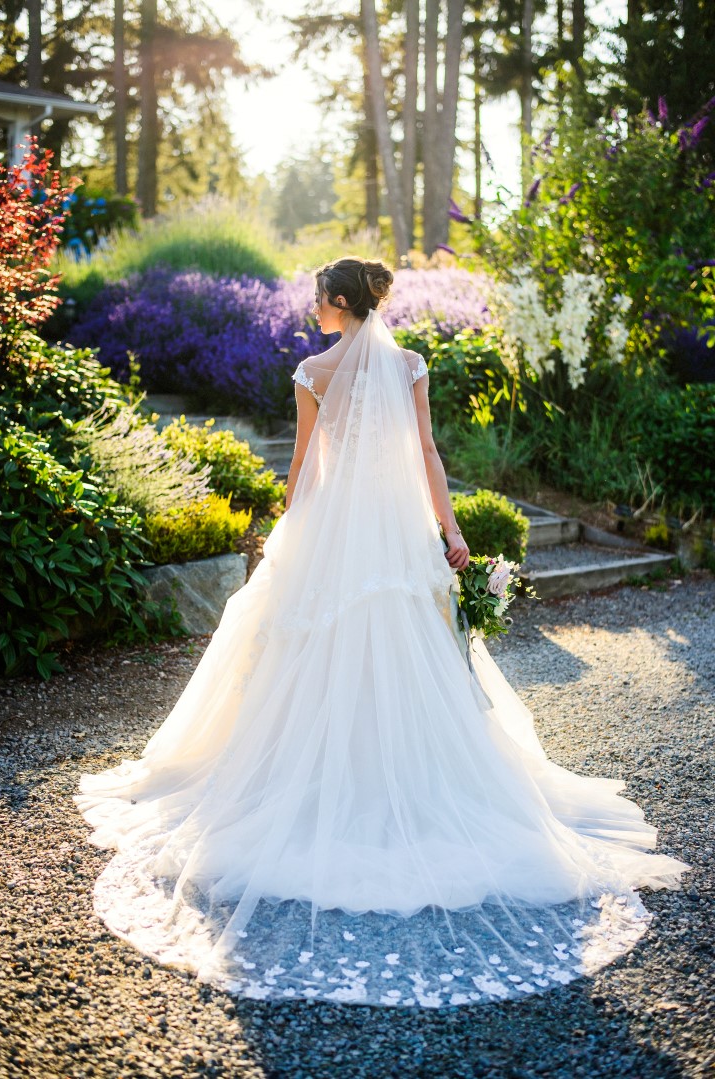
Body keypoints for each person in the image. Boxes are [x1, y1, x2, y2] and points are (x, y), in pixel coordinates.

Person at [75, 256, 689, 1009]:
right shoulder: (408, 363)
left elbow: (303, 465)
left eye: (319, 300)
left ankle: (322, 778)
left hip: (335, 534)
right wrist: (450, 528)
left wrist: (285, 535)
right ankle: (407, 776)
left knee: (314, 650)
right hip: (394, 536)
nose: (315, 311)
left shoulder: (313, 372)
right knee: (406, 650)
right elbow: (426, 452)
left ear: (338, 302)